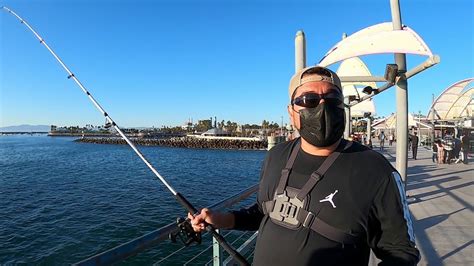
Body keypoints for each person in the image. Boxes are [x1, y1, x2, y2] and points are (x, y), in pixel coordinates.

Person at [189, 66, 420, 265]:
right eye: (309, 100)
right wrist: (220, 219)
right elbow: (262, 212)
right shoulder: (276, 156)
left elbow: (401, 253)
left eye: (332, 99)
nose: (322, 107)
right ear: (292, 113)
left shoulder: (375, 169)